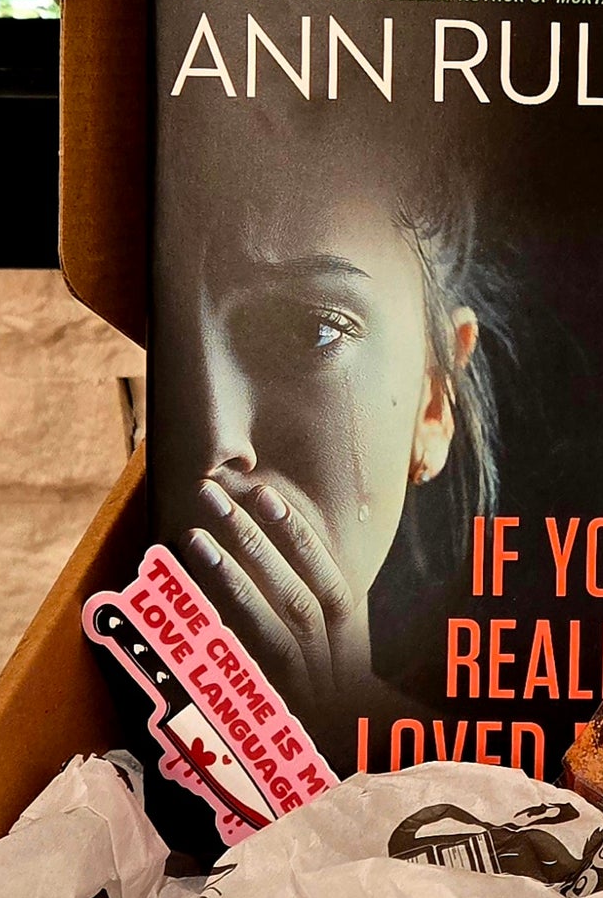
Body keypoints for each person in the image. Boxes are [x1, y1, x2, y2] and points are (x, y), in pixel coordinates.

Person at [149, 86, 501, 773]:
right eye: (162, 347)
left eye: (308, 330)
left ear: (434, 401)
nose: (214, 440)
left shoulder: (524, 809)